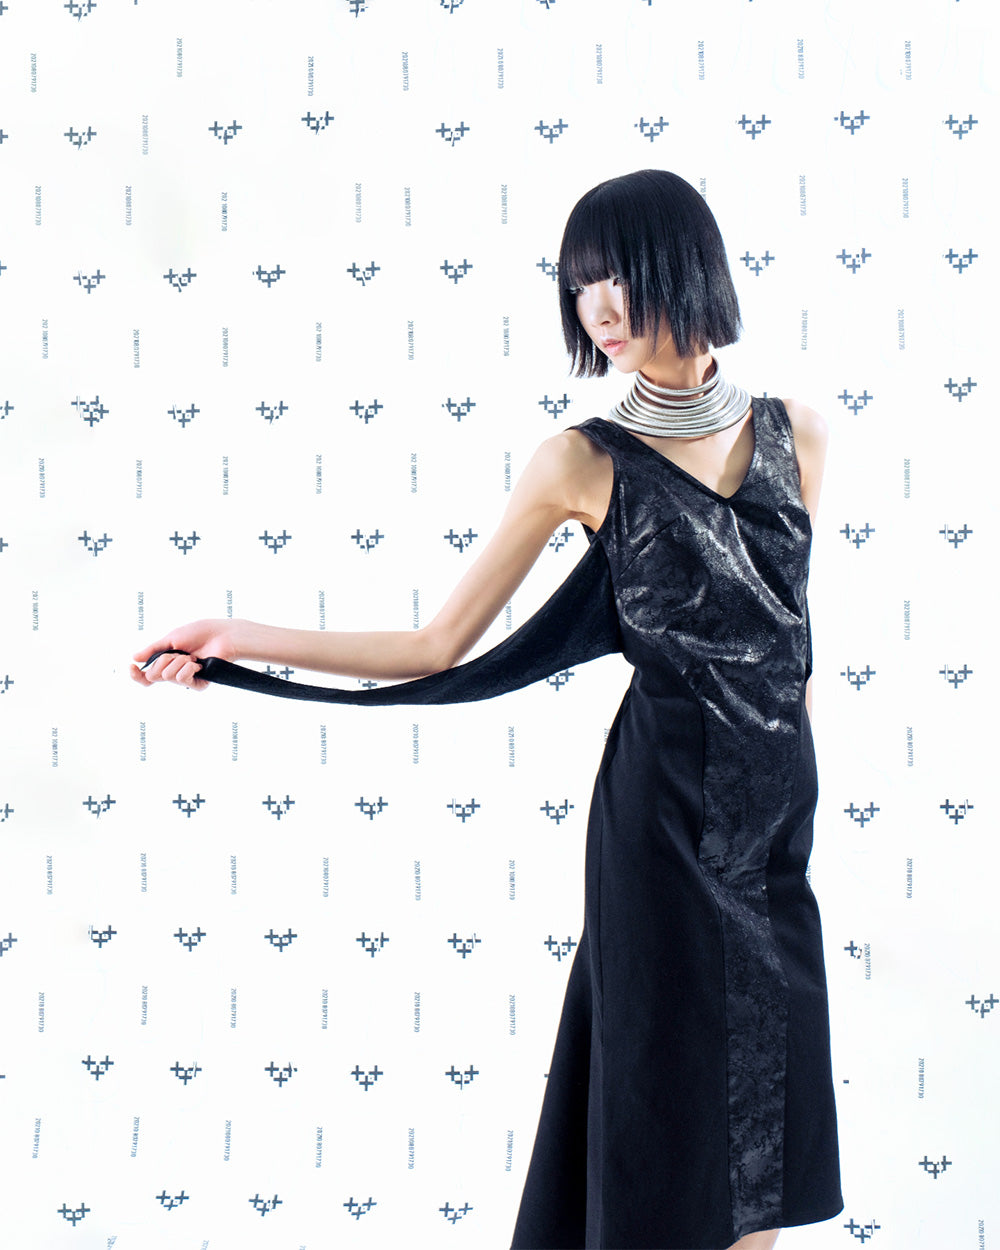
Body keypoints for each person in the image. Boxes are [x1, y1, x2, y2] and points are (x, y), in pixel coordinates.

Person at [132, 169, 843, 1250]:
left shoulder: (801, 434)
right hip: (659, 821)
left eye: (617, 275)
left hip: (775, 825)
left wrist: (795, 794)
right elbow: (435, 645)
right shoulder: (579, 461)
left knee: (769, 1111)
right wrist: (240, 639)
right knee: (666, 1105)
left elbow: (790, 643)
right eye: (579, 284)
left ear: (684, 265)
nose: (598, 307)